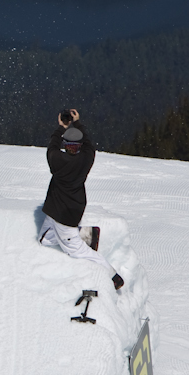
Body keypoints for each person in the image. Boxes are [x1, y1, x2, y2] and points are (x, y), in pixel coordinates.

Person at [41, 108, 124, 290]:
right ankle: (82, 234)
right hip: (72, 206)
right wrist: (77, 123)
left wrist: (62, 127)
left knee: (77, 250)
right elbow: (89, 145)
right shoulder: (86, 159)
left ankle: (113, 275)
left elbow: (52, 146)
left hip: (64, 214)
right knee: (44, 239)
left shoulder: (57, 160)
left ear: (65, 145)